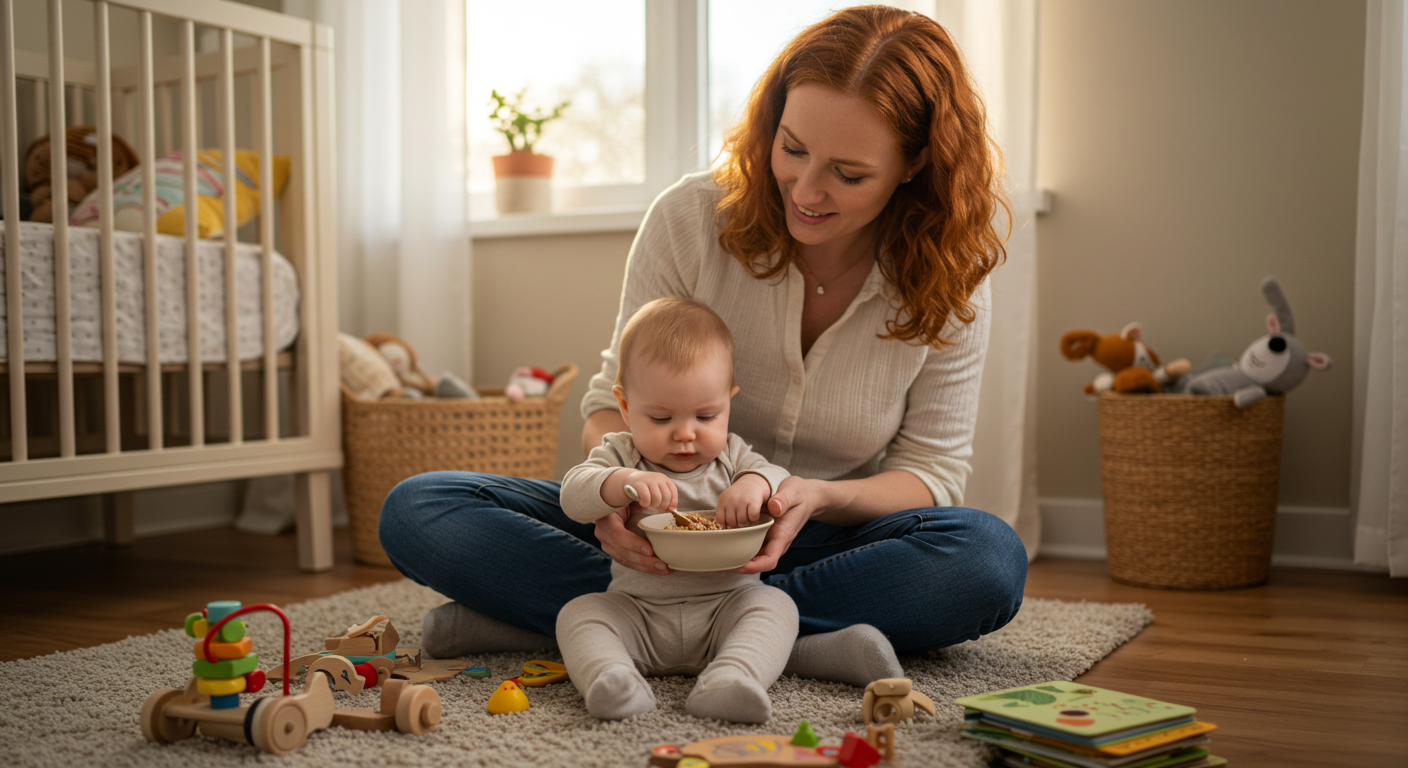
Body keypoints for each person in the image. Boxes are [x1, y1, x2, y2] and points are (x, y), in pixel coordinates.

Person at [378, 5, 1028, 689]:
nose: (806, 190)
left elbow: (931, 470)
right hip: (658, 534)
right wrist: (621, 506)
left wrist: (817, 498)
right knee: (422, 510)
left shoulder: (948, 274)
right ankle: (771, 635)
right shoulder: (690, 221)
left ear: (915, 161)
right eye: (793, 148)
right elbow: (610, 404)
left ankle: (622, 622)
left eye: (848, 173)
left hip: (821, 539)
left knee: (986, 560)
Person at [557, 296, 798, 723]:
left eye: (707, 415)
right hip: (639, 611)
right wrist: (619, 484)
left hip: (728, 606)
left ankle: (731, 678)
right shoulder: (623, 452)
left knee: (776, 608)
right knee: (579, 614)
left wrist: (755, 483)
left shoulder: (734, 456)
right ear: (626, 406)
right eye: (662, 418)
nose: (685, 435)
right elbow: (573, 494)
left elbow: (778, 476)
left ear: (729, 401)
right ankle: (613, 680)